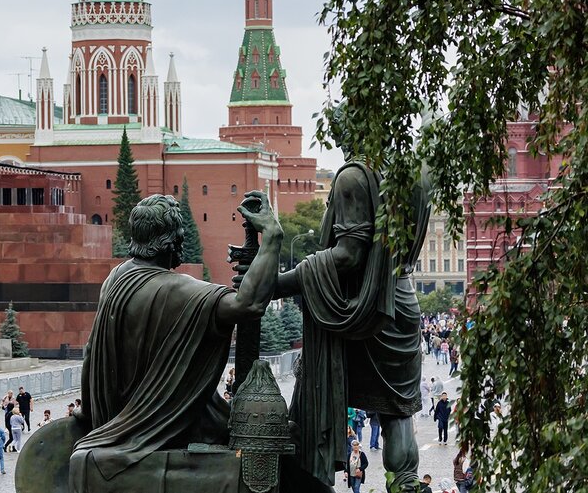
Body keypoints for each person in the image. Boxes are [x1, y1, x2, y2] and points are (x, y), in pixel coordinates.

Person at [70, 192, 282, 488]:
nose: (184, 237)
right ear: (168, 240)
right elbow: (248, 305)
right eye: (180, 231)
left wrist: (90, 413)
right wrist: (272, 237)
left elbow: (93, 352)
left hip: (114, 421)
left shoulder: (116, 278)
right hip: (165, 427)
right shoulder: (178, 290)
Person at [271, 109, 432, 492]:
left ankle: (310, 481)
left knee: (317, 395)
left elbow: (348, 256)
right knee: (398, 411)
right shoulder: (413, 173)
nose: (341, 143)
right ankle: (405, 483)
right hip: (402, 303)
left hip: (364, 312)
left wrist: (282, 283)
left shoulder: (353, 176)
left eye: (342, 133)